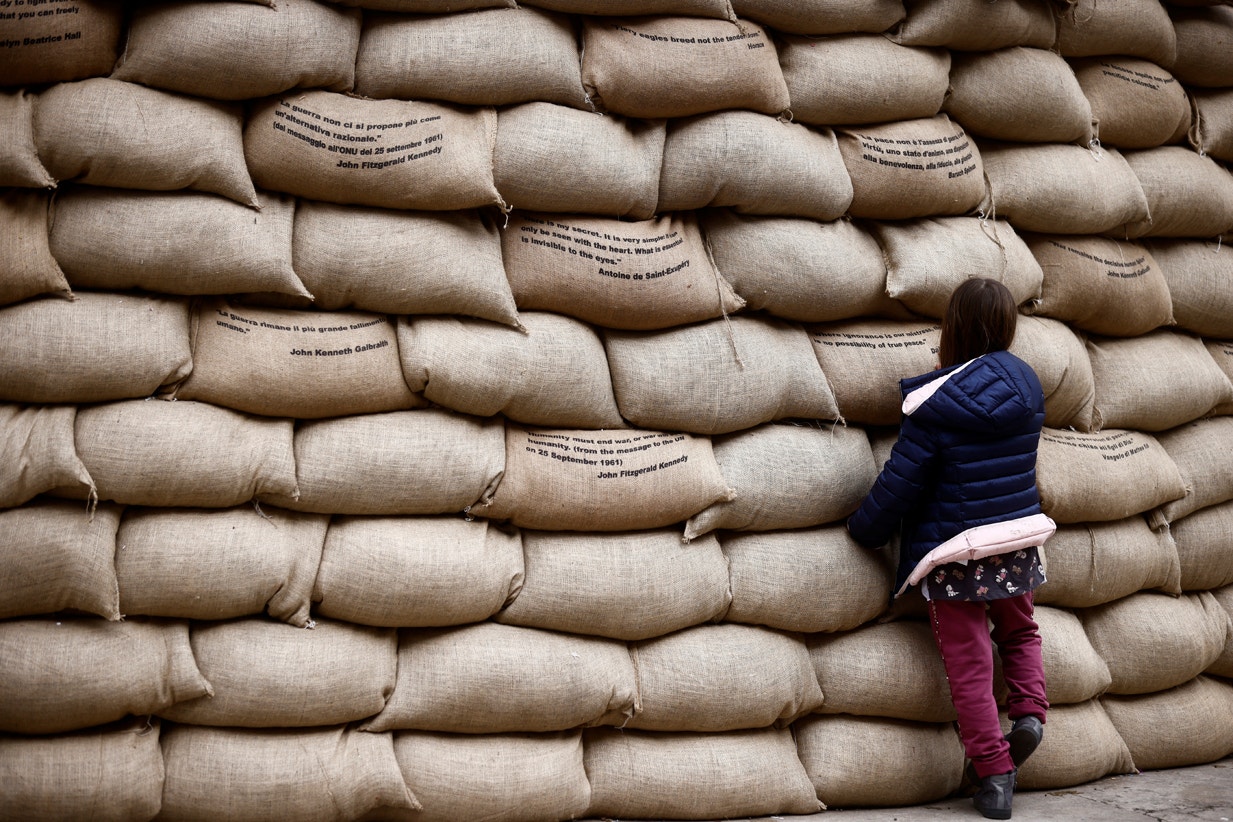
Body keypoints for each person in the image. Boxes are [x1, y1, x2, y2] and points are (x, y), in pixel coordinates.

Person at [847, 278, 1050, 820]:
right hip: (1015, 539)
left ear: (951, 329)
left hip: (954, 552)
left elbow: (901, 483)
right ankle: (1030, 716)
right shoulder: (1029, 386)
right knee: (1019, 629)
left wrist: (865, 531)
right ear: (1006, 326)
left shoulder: (934, 405)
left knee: (968, 663)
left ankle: (994, 772)